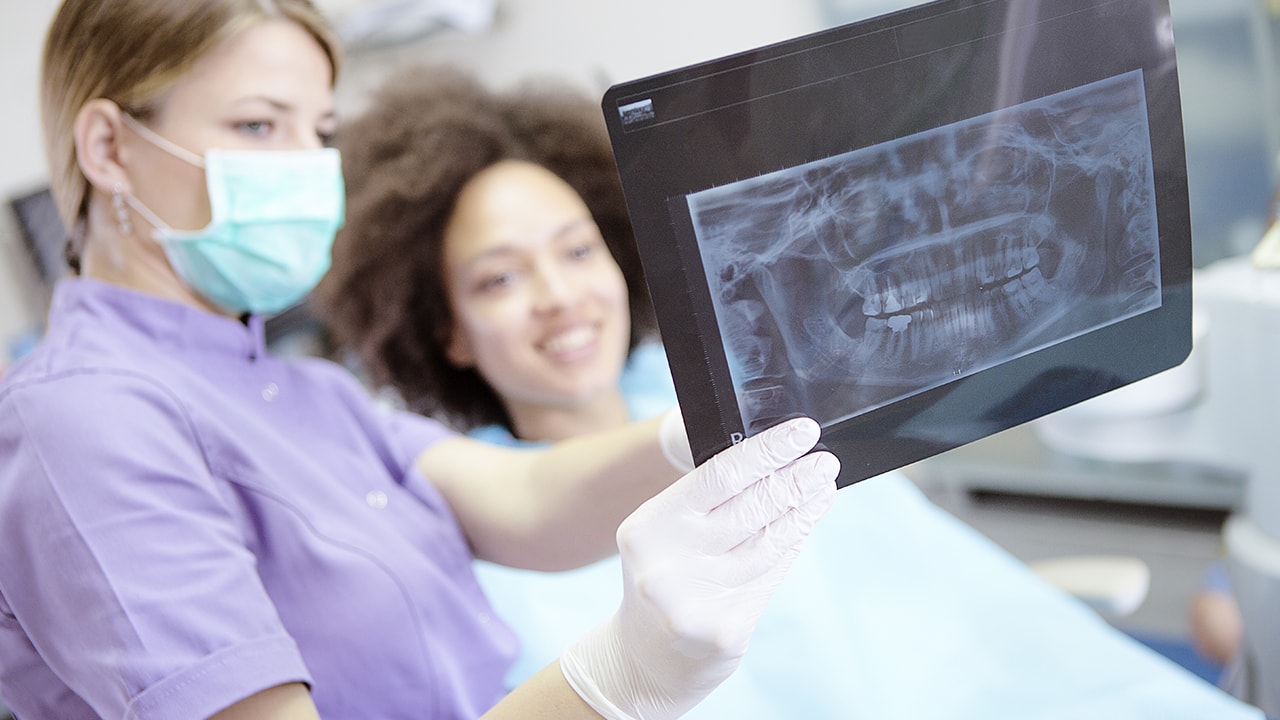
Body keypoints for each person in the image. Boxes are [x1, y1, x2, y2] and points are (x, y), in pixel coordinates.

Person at [317, 65, 1272, 720]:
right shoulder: (493, 533)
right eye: (498, 279)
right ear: (440, 326)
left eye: (577, 250)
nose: (561, 295)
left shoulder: (747, 377)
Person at [0, 1, 842, 718]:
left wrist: (715, 422)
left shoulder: (307, 390)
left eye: (318, 130)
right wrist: (618, 679)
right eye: (257, 125)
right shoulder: (82, 420)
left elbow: (525, 496)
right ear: (109, 148)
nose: (303, 166)